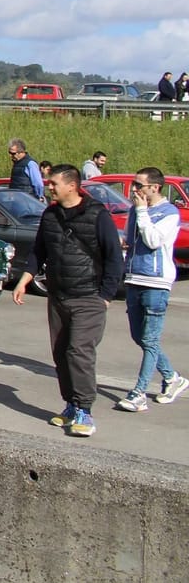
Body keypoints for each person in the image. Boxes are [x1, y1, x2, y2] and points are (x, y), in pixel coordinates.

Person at [12, 164, 124, 438]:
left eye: (53, 184)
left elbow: (114, 259)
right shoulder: (50, 215)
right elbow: (40, 251)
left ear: (72, 186)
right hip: (58, 296)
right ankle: (71, 404)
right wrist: (25, 278)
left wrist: (105, 298)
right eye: (49, 184)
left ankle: (85, 409)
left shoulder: (98, 216)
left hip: (89, 297)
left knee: (79, 351)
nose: (49, 187)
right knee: (61, 352)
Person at [116, 167, 189, 412]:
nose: (134, 190)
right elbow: (131, 241)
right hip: (134, 278)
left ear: (154, 188)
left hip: (156, 282)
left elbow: (153, 240)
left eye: (139, 185)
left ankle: (138, 393)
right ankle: (172, 378)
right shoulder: (135, 211)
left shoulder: (169, 213)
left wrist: (141, 211)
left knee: (150, 339)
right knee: (140, 337)